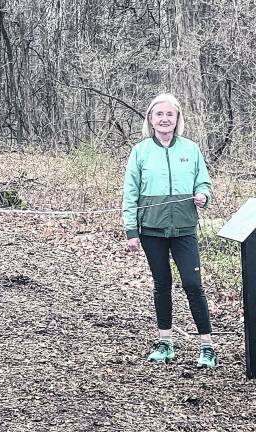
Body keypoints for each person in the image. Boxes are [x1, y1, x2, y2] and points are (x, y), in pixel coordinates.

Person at [123, 93, 215, 368]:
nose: (164, 119)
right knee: (162, 285)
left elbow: (204, 183)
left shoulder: (191, 149)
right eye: (159, 114)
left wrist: (202, 195)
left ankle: (207, 347)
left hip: (185, 228)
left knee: (192, 284)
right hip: (151, 230)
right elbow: (130, 193)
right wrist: (131, 230)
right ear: (150, 119)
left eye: (169, 115)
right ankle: (165, 342)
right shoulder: (140, 151)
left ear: (177, 119)